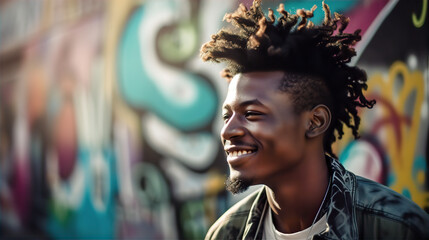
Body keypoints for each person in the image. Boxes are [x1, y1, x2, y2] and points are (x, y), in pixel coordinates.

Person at [200, 0, 429, 239]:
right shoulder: (226, 234)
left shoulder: (397, 228)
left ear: (315, 121)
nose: (228, 131)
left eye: (251, 114)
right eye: (227, 115)